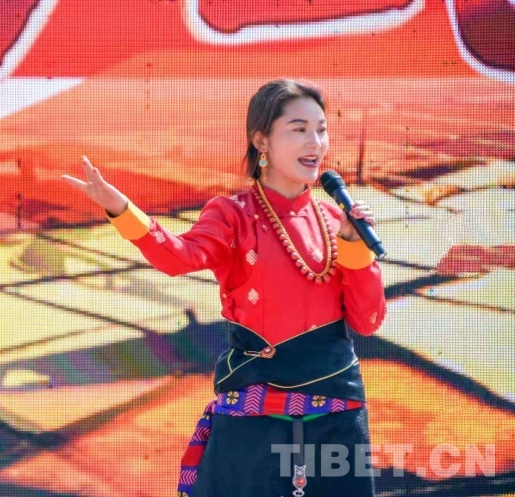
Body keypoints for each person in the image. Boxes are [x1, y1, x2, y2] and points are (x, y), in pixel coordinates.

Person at [61, 79, 386, 496]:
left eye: (321, 130)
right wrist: (120, 209)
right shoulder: (233, 214)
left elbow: (367, 320)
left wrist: (356, 248)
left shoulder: (334, 220)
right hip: (255, 414)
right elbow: (177, 257)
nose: (315, 142)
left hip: (337, 411)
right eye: (299, 129)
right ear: (261, 140)